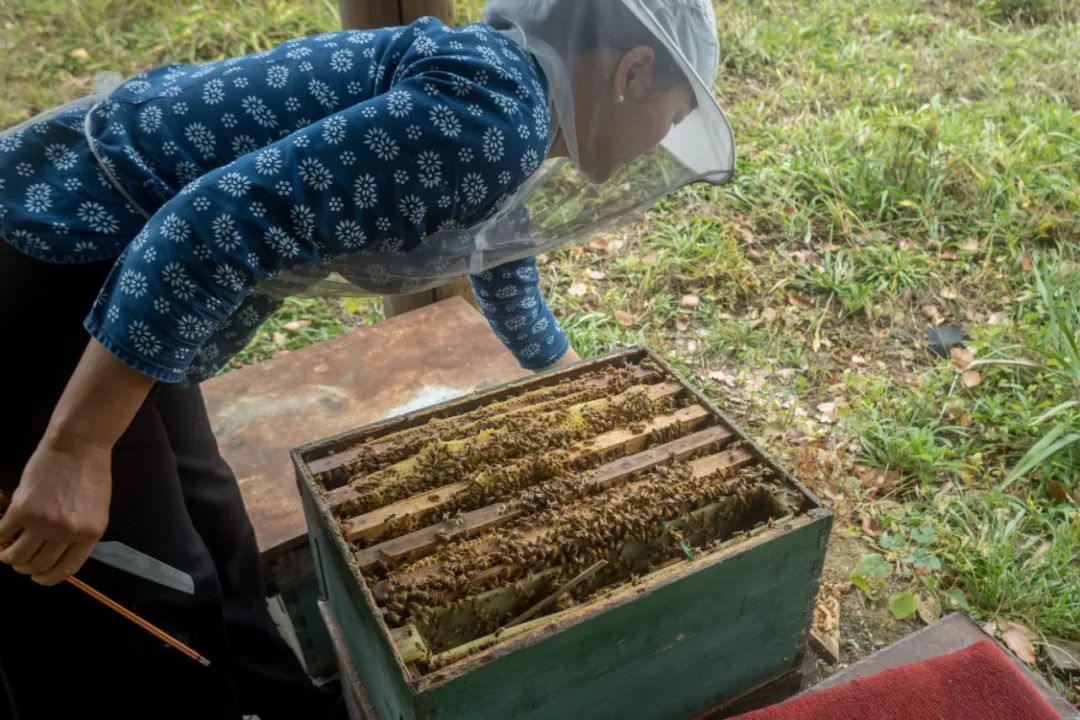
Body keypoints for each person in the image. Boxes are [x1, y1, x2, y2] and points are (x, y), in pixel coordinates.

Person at [0, 0, 734, 716]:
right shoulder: (496, 118)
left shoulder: (506, 94)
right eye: (672, 120)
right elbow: (210, 222)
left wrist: (586, 390)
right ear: (633, 73)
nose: (659, 142)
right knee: (150, 597)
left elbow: (500, 254)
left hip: (133, 275)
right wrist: (76, 444)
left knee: (216, 526)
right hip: (56, 250)